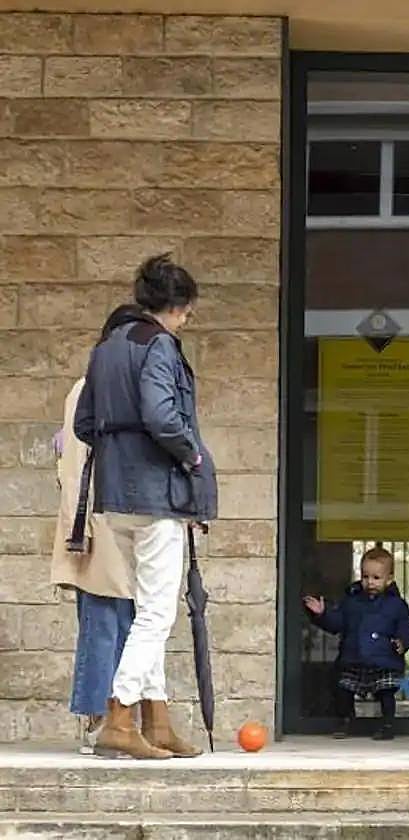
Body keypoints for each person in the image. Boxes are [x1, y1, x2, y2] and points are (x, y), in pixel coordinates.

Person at [74, 255, 218, 760]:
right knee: (157, 611)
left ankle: (156, 723)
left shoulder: (107, 346)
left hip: (116, 494)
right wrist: (191, 452)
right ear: (175, 307)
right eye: (186, 312)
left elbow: (83, 423)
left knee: (145, 609)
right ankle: (119, 714)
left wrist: (120, 453)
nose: (186, 320)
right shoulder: (157, 344)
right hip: (158, 492)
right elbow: (162, 415)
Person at [50, 304, 142, 754]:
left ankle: (117, 718)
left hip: (123, 520)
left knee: (123, 622)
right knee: (104, 622)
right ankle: (96, 719)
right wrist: (78, 527)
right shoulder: (87, 390)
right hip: (98, 520)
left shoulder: (113, 387)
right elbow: (74, 466)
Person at [304, 545, 409, 741]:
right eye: (366, 577)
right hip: (354, 657)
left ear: (389, 579)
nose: (370, 582)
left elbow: (407, 627)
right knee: (344, 690)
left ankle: (387, 724)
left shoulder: (397, 604)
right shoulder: (352, 601)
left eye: (376, 578)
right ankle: (345, 720)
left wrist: (402, 641)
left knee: (385, 692)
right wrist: (323, 614)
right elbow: (337, 623)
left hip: (384, 659)